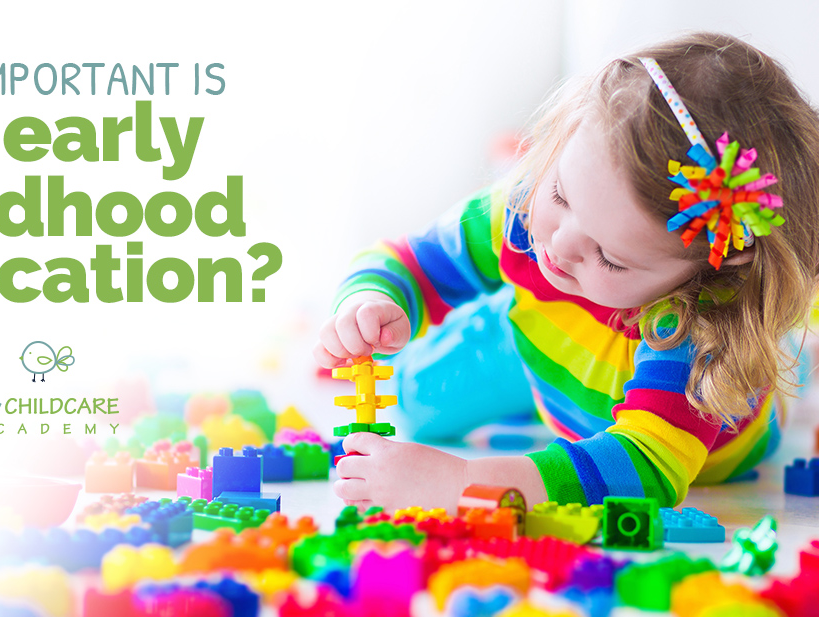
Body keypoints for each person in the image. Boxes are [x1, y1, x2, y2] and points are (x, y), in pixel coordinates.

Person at [314, 32, 819, 512]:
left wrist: (462, 484)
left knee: (774, 358)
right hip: (540, 354)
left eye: (611, 257)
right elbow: (410, 258)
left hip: (701, 444)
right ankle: (512, 313)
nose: (557, 244)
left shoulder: (700, 339)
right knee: (415, 402)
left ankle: (793, 347)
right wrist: (369, 302)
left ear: (707, 274)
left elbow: (642, 468)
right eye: (561, 194)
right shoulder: (524, 210)